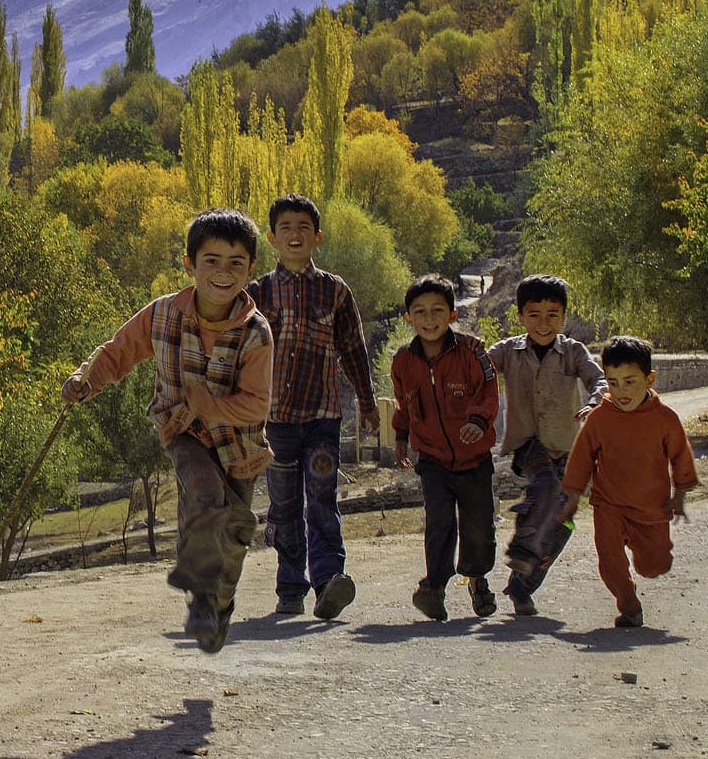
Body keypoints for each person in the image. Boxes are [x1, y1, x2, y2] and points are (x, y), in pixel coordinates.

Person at [63, 208, 273, 653]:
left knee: (233, 532)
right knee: (201, 495)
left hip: (240, 447)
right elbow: (119, 350)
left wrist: (209, 403)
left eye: (236, 263)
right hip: (184, 432)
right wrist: (86, 380)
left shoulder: (256, 334)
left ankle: (219, 605)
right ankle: (201, 598)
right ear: (189, 265)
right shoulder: (162, 315)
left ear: (251, 270)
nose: (223, 273)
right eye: (211, 261)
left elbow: (257, 403)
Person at [244, 194, 378, 620]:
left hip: (323, 417)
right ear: (272, 238)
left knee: (322, 499)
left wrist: (368, 403)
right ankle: (289, 588)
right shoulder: (257, 293)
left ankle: (327, 583)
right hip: (276, 421)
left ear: (317, 237)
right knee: (284, 507)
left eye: (304, 227)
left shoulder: (335, 291)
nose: (295, 234)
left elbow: (354, 349)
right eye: (286, 227)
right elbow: (236, 353)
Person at [487, 275, 607, 616]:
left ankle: (522, 586)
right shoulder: (508, 351)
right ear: (521, 316)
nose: (543, 323)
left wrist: (596, 400)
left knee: (562, 523)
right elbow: (476, 368)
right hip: (527, 443)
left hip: (568, 448)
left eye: (552, 314)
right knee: (547, 485)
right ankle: (523, 549)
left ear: (564, 316)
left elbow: (596, 378)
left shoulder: (572, 352)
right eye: (534, 314)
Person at [559, 336, 696, 628]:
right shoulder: (599, 418)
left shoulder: (665, 419)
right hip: (608, 504)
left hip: (650, 509)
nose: (621, 391)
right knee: (610, 563)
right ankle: (629, 606)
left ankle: (650, 560)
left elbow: (681, 455)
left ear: (650, 379)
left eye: (630, 382)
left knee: (654, 565)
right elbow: (582, 457)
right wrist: (572, 498)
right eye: (613, 382)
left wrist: (680, 495)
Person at [392, 274, 499, 621]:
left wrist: (478, 422)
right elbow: (403, 404)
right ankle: (434, 588)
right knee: (438, 521)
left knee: (478, 524)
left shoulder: (472, 352)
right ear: (409, 318)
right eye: (420, 312)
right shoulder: (403, 362)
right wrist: (401, 438)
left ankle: (477, 578)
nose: (429, 319)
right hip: (434, 460)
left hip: (474, 459)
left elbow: (488, 391)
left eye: (438, 310)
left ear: (453, 314)